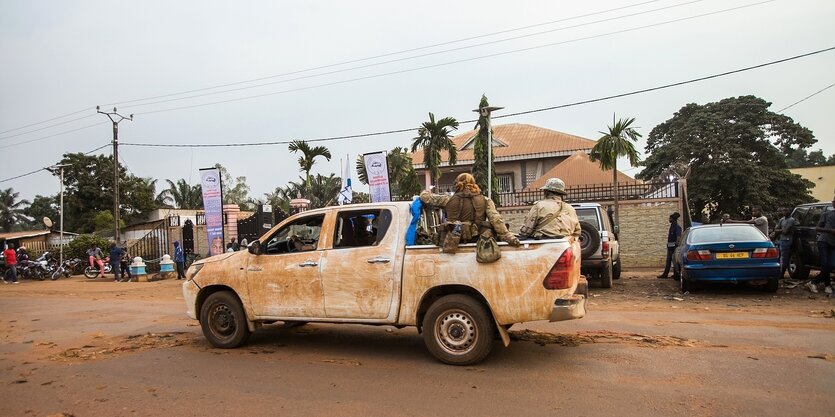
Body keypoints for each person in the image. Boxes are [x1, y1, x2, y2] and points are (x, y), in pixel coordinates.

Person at [420, 173, 520, 247]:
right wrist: (507, 236)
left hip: (452, 243)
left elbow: (425, 197)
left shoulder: (448, 200)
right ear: (474, 184)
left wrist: (425, 191)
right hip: (479, 243)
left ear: (457, 184)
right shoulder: (485, 200)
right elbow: (496, 219)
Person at [807, 197, 835, 294]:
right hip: (824, 241)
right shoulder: (827, 214)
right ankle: (827, 285)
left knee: (831, 265)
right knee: (825, 264)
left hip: (833, 243)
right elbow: (817, 228)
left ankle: (813, 281)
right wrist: (829, 231)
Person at [773, 207, 797, 279]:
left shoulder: (791, 220)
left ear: (789, 211)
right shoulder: (782, 219)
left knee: (784, 257)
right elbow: (776, 229)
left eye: (786, 210)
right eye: (783, 210)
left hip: (787, 240)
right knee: (778, 256)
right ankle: (779, 273)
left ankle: (782, 274)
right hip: (781, 239)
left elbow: (785, 231)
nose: (784, 212)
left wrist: (779, 230)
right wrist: (781, 230)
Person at [658, 212, 682, 279]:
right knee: (669, 260)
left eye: (670, 218)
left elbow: (678, 237)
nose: (669, 219)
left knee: (674, 261)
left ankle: (676, 275)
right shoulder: (672, 226)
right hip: (670, 246)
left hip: (674, 247)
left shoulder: (677, 227)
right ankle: (666, 274)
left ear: (673, 219)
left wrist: (676, 245)